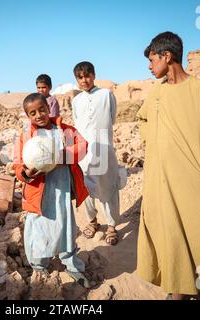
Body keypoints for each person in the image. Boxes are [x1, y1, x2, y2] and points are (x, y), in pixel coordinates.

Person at [136, 31, 200, 300]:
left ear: (167, 56)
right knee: (171, 238)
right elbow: (142, 120)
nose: (149, 65)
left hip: (194, 182)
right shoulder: (156, 94)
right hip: (161, 181)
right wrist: (154, 143)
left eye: (152, 59)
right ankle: (177, 290)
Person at [13, 93, 90, 287]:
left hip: (61, 189)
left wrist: (60, 156)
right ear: (27, 116)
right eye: (32, 113)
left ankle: (72, 265)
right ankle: (39, 266)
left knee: (65, 225)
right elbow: (18, 166)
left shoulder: (64, 130)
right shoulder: (25, 137)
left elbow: (83, 146)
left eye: (41, 110)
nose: (38, 115)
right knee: (39, 228)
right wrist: (27, 173)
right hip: (38, 193)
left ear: (48, 109)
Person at [72, 61, 120, 246]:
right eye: (80, 77)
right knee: (86, 189)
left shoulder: (106, 94)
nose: (84, 80)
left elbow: (111, 118)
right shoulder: (76, 100)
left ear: (94, 75)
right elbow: (77, 124)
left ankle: (111, 225)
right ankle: (92, 221)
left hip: (103, 148)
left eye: (87, 76)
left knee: (108, 186)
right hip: (84, 152)